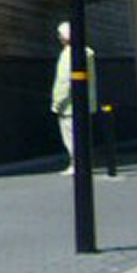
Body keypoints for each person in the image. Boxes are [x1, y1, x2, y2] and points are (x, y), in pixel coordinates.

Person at [50, 21, 97, 175]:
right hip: (85, 102)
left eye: (60, 34)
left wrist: (57, 102)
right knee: (82, 135)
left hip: (69, 105)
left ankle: (77, 164)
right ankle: (84, 163)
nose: (58, 37)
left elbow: (64, 81)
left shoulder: (68, 55)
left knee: (71, 137)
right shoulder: (87, 52)